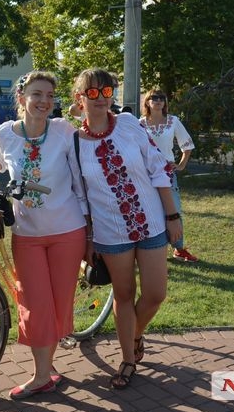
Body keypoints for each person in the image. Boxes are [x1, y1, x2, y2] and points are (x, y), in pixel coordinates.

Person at [0, 71, 88, 400]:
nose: (44, 102)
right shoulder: (5, 133)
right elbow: (0, 159)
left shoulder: (63, 131)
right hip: (26, 233)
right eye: (38, 95)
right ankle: (43, 374)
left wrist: (90, 224)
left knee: (57, 303)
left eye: (50, 97)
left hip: (68, 230)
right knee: (34, 303)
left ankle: (44, 372)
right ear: (22, 97)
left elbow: (81, 177)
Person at [72, 68, 182, 390]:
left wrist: (173, 217)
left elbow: (159, 168)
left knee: (155, 294)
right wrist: (88, 238)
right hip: (111, 234)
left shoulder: (131, 126)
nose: (101, 99)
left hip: (151, 225)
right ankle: (127, 360)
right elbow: (81, 196)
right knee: (123, 296)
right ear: (80, 100)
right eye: (92, 93)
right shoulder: (74, 143)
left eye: (107, 93)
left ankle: (134, 333)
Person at [139, 88, 198, 262]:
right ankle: (150, 249)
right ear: (147, 102)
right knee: (148, 212)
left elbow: (187, 145)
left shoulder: (173, 121)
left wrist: (180, 165)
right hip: (145, 175)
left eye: (161, 98)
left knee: (174, 210)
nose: (158, 100)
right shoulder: (139, 124)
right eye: (154, 98)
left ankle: (178, 249)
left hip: (167, 174)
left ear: (165, 102)